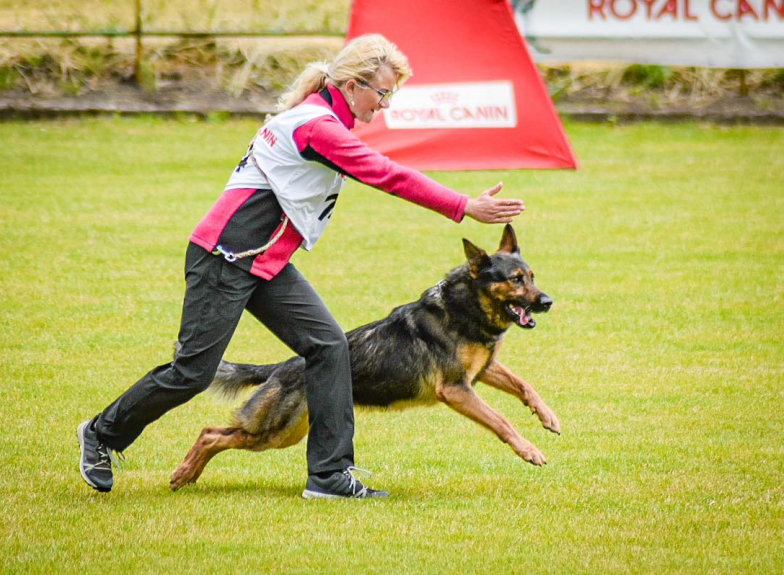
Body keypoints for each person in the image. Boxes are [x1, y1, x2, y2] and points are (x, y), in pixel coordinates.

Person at [77, 34, 526, 499]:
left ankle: (330, 476)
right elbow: (385, 174)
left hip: (263, 261)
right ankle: (101, 433)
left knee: (328, 346)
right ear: (353, 86)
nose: (385, 104)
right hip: (224, 257)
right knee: (191, 372)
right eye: (382, 92)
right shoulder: (319, 127)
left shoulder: (319, 117)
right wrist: (463, 205)